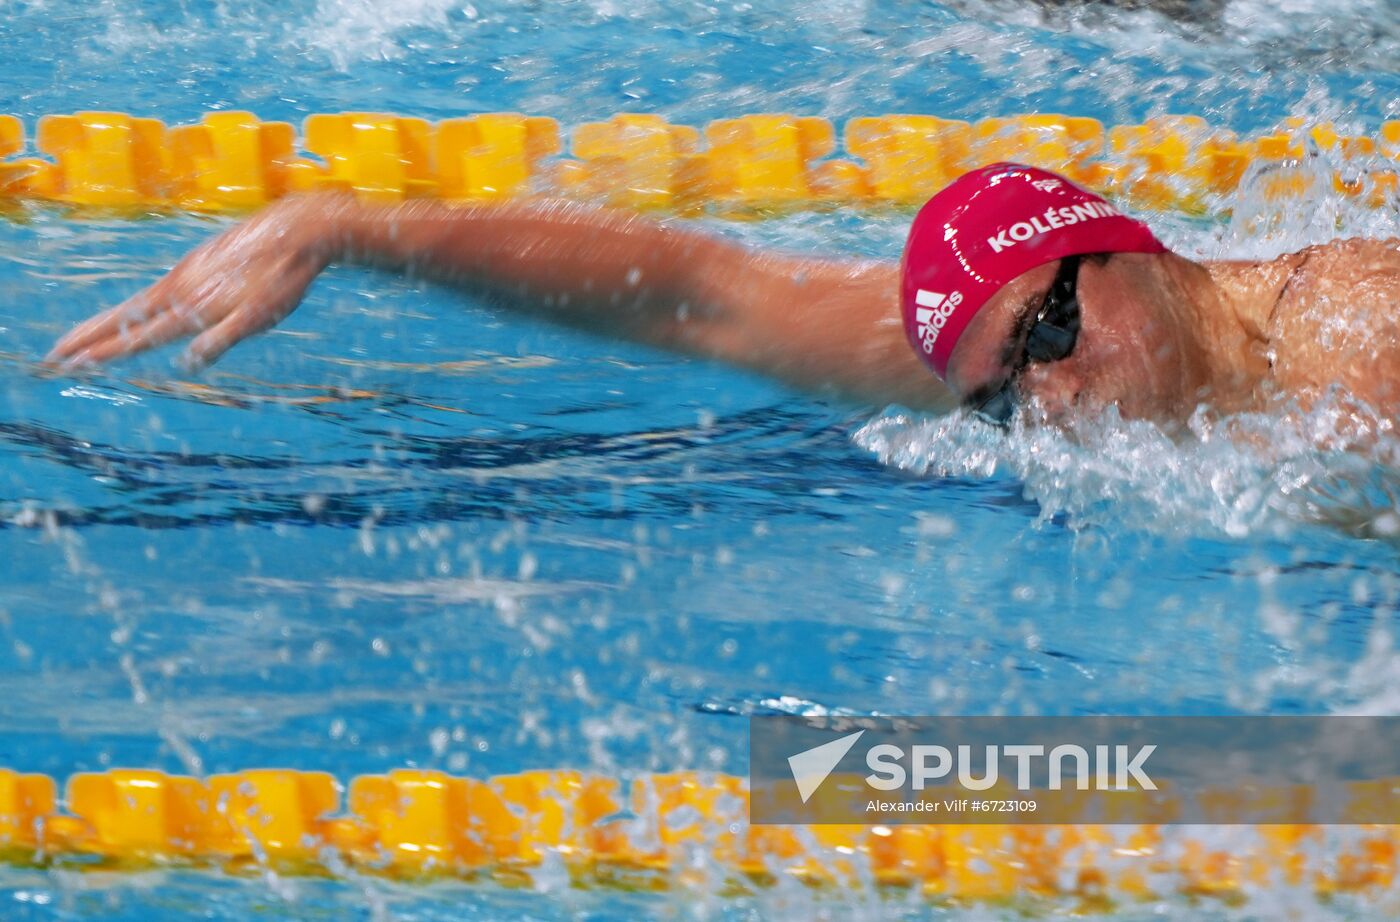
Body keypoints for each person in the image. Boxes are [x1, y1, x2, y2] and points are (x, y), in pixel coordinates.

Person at [44, 162, 1400, 426]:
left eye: (1051, 330)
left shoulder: (1357, 339)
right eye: (998, 400)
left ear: (1138, 249)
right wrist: (345, 225)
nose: (1051, 392)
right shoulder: (1002, 343)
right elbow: (700, 293)